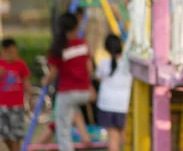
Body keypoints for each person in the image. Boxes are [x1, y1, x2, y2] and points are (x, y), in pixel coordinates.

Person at [42, 12, 92, 151]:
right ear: (76, 27)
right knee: (73, 109)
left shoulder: (57, 49)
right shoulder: (83, 44)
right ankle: (85, 135)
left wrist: (45, 81)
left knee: (62, 131)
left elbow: (53, 72)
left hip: (67, 92)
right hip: (84, 92)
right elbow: (89, 68)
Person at [95, 34, 131, 151]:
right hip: (124, 105)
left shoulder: (103, 63)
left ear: (106, 48)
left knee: (113, 138)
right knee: (127, 138)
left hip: (107, 104)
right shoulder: (129, 64)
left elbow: (98, 77)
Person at [0, 38, 31, 151]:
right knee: (3, 134)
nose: (12, 54)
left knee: (15, 134)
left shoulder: (20, 64)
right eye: (9, 52)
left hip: (17, 106)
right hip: (2, 105)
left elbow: (27, 81)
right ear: (3, 51)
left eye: (14, 51)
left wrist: (30, 97)